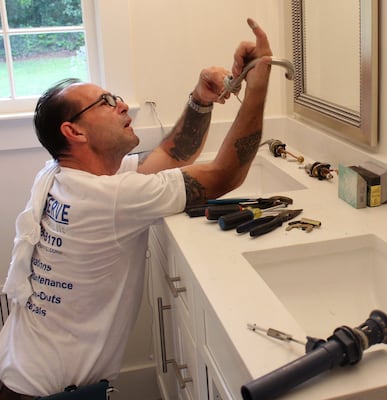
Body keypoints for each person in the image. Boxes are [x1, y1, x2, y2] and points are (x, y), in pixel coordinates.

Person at [0, 18, 273, 399]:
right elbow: (226, 172)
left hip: (16, 367)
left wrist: (200, 98)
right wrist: (259, 85)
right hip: (46, 392)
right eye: (106, 102)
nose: (122, 104)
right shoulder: (108, 198)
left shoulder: (60, 176)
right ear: (74, 132)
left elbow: (170, 155)